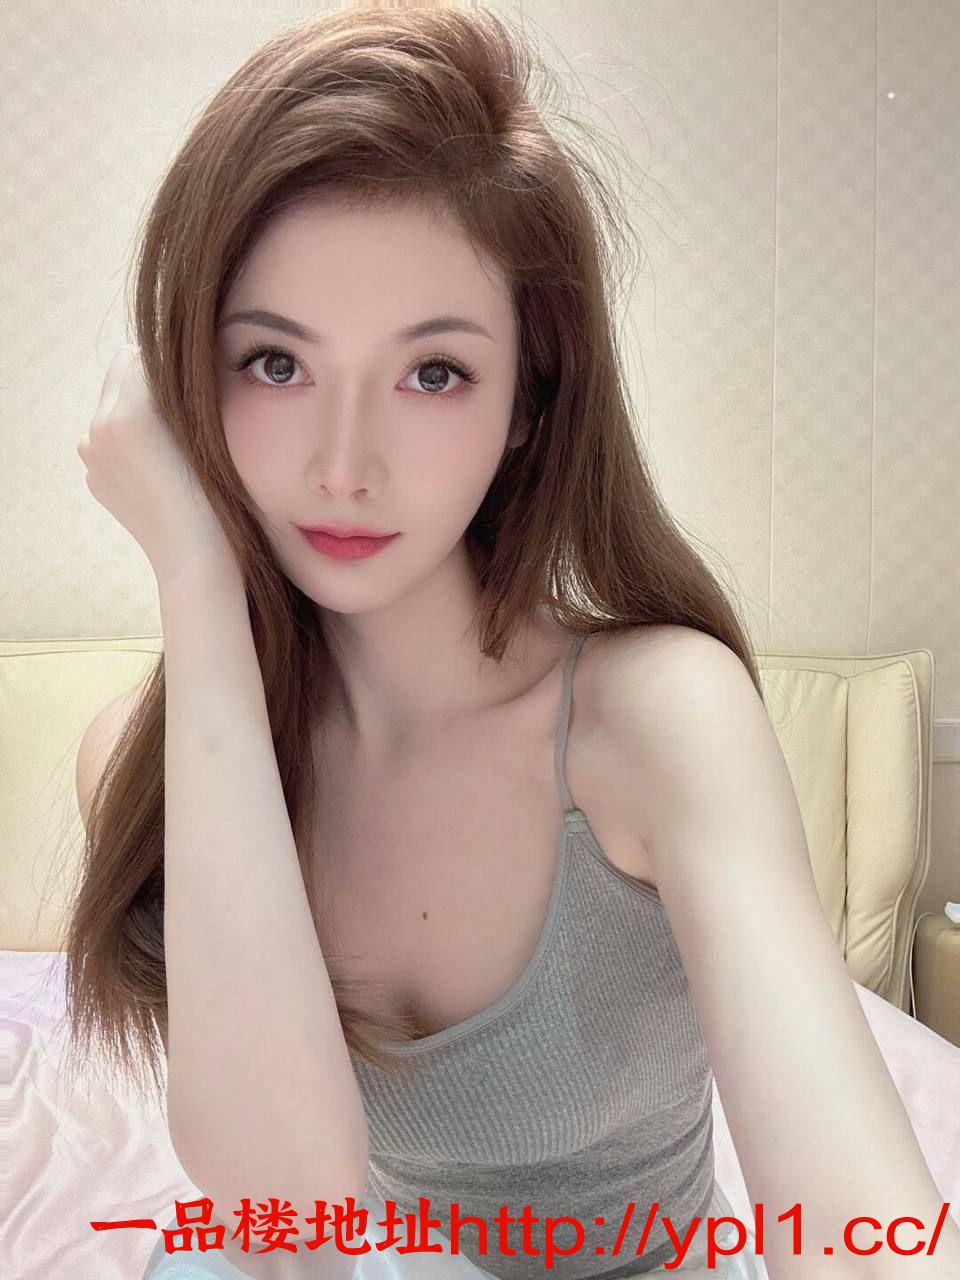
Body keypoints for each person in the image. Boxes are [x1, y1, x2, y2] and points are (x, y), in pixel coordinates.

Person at [67, 8, 959, 1280]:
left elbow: (863, 1234)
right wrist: (199, 587)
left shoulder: (652, 716)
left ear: (530, 397)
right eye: (273, 362)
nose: (344, 464)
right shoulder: (153, 760)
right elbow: (294, 1227)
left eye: (434, 372)